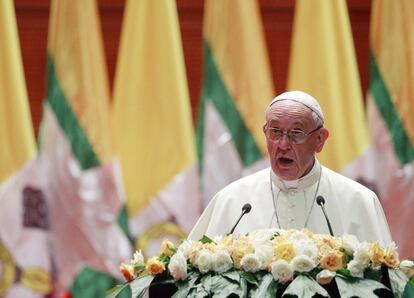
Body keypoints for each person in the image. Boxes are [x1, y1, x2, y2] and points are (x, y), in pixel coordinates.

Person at [189, 90, 392, 246]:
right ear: (265, 132)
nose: (283, 144)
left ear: (320, 140)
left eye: (296, 133)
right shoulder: (232, 201)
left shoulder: (359, 201)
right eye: (275, 131)